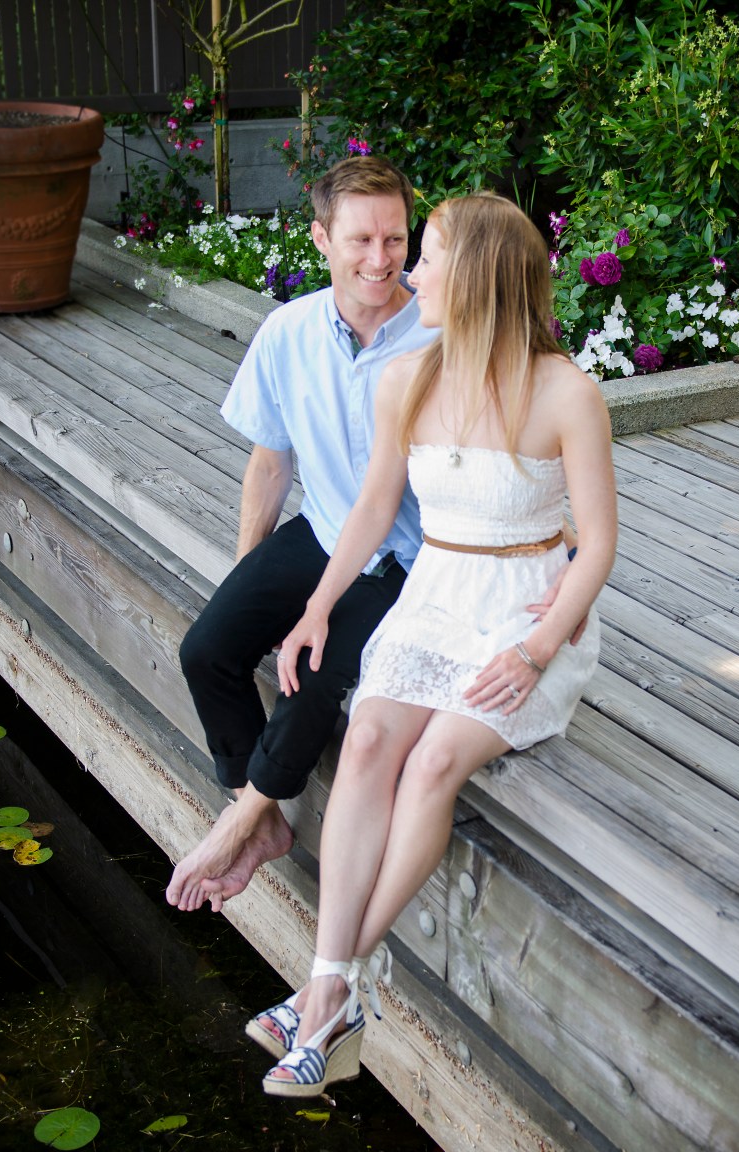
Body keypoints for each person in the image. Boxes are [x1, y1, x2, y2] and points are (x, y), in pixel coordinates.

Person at [249, 193, 618, 1098]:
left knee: (434, 761)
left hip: (523, 614)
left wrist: (535, 649)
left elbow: (598, 544)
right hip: (435, 597)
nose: (408, 273)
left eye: (428, 258)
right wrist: (317, 609)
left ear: (479, 274)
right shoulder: (406, 378)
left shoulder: (565, 391)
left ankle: (325, 987)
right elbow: (374, 511)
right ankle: (333, 986)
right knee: (371, 741)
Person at [165, 157, 440, 913]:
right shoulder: (287, 331)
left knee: (314, 674)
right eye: (360, 240)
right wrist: (249, 578)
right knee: (208, 648)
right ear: (321, 237)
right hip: (323, 529)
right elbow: (270, 459)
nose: (381, 260)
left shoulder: (439, 330)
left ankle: (246, 818)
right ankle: (260, 821)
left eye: (394, 238)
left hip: (413, 557)